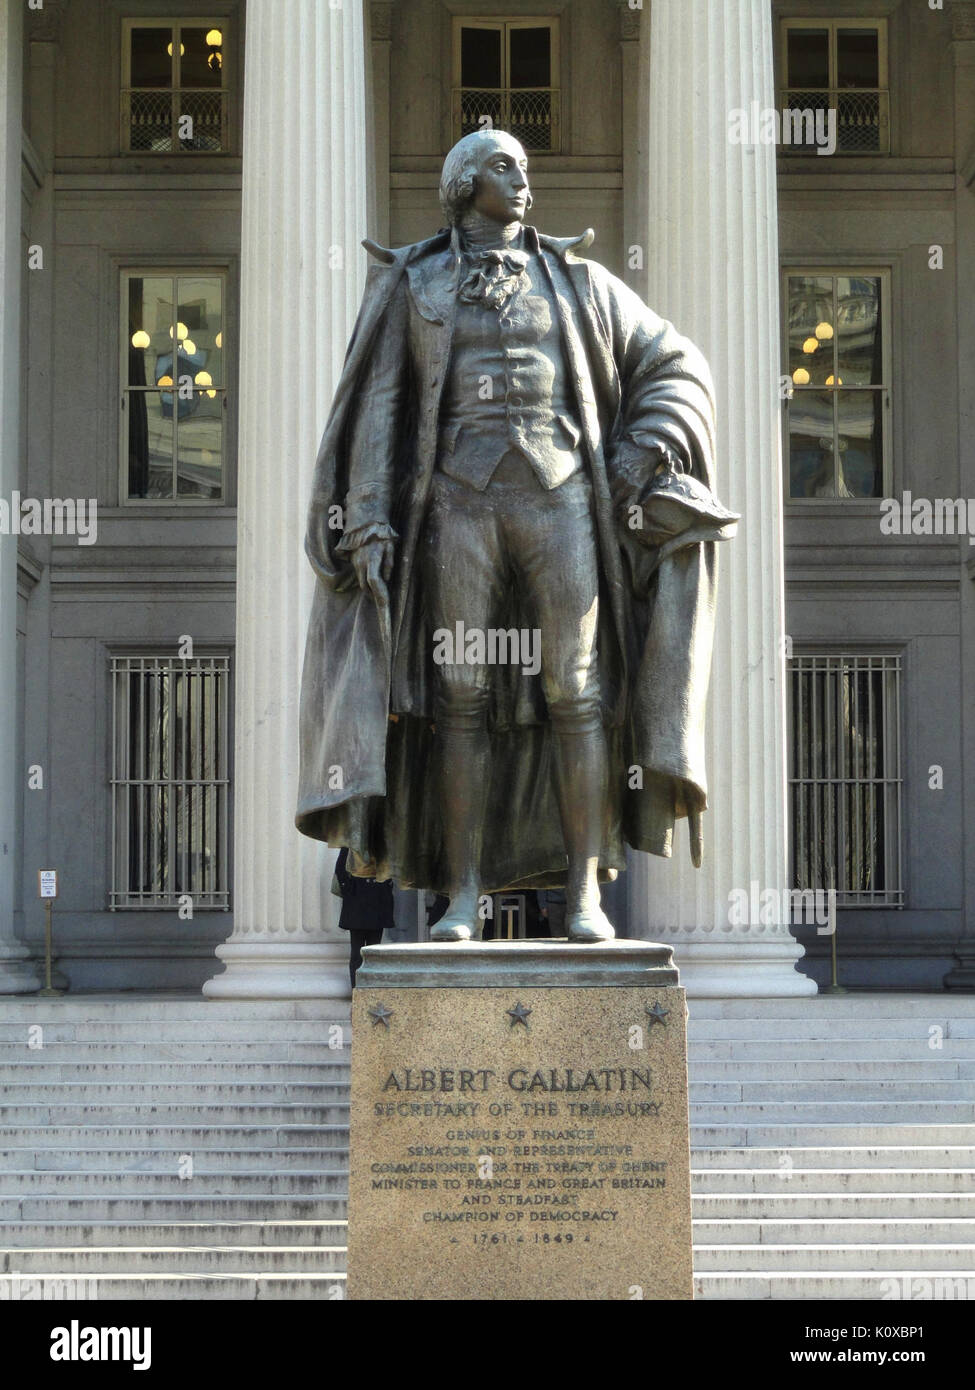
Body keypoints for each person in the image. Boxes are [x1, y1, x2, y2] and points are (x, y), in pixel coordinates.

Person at [297, 130, 737, 944]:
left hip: (561, 501)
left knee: (576, 691)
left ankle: (582, 896)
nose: (522, 181)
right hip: (457, 507)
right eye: (504, 168)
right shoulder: (414, 283)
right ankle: (461, 896)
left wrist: (642, 449)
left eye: (526, 169)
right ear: (463, 182)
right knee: (459, 694)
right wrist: (364, 512)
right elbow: (381, 405)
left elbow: (673, 360)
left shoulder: (577, 283)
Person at [332, 847, 394, 988]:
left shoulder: (382, 841)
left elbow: (390, 867)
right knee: (357, 952)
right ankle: (357, 989)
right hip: (357, 900)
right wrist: (349, 890)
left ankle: (371, 989)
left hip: (378, 899)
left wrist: (386, 887)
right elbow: (340, 868)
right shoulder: (350, 842)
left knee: (374, 951)